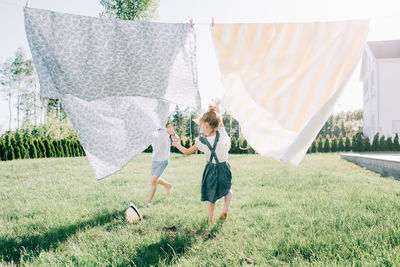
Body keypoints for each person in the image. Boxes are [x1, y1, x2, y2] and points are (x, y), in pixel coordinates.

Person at [172, 101, 232, 224]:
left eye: (201, 125)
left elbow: (187, 151)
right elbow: (219, 121)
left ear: (205, 125)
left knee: (212, 198)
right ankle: (225, 209)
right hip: (224, 168)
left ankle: (210, 221)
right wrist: (217, 109)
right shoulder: (221, 133)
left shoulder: (201, 141)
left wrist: (176, 144)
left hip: (211, 170)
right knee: (228, 191)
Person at [145, 124, 176, 207]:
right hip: (155, 160)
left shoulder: (166, 131)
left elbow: (176, 140)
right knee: (155, 179)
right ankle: (167, 185)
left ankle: (148, 202)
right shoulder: (152, 132)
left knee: (153, 181)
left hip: (163, 160)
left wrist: (173, 134)